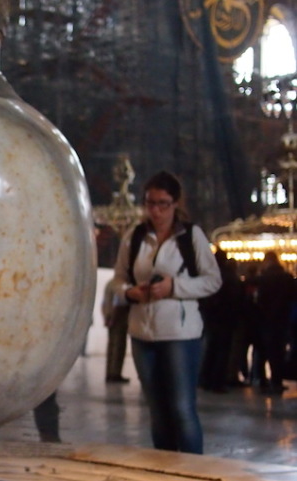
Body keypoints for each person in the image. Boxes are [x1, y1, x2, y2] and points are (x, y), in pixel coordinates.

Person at [113, 170, 221, 455]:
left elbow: (213, 280)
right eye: (150, 203)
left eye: (163, 204)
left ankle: (191, 472)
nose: (156, 210)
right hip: (141, 333)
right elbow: (118, 278)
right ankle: (165, 471)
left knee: (181, 408)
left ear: (175, 204)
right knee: (157, 410)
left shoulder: (190, 236)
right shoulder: (135, 236)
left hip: (180, 335)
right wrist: (128, 292)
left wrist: (174, 287)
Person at [199, 250, 244, 393]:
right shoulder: (229, 277)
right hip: (226, 319)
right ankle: (217, 382)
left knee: (211, 349)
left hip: (211, 317)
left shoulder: (209, 275)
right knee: (222, 351)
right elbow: (236, 299)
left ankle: (205, 379)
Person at [254, 250, 297, 395]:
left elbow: (258, 300)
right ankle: (277, 380)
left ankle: (262, 380)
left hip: (265, 319)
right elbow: (293, 297)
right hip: (282, 319)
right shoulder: (287, 278)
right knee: (279, 351)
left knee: (264, 351)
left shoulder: (263, 278)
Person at [102, 278, 130, 382]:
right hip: (118, 317)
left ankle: (110, 373)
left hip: (111, 317)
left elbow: (104, 303)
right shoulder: (120, 284)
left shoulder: (109, 283)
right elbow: (117, 303)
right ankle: (115, 374)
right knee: (118, 346)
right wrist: (112, 317)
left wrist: (106, 317)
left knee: (112, 346)